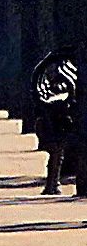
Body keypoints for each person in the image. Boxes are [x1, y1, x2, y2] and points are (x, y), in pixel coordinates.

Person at [41, 59, 83, 199]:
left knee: (56, 155)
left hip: (56, 124)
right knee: (56, 155)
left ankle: (52, 184)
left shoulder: (58, 85)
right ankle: (52, 184)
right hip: (55, 124)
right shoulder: (61, 85)